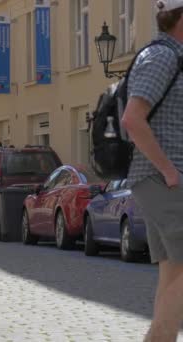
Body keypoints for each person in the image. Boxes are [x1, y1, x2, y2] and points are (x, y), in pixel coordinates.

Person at [121, 2, 183, 340]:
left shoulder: (173, 57)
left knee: (173, 272)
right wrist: (170, 171)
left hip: (163, 180)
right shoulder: (162, 57)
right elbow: (132, 119)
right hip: (163, 180)